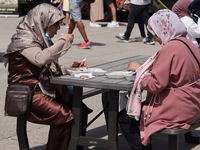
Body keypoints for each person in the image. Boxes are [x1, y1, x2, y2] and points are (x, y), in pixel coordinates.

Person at [3, 3, 92, 150]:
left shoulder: (38, 38)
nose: (58, 29)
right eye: (56, 24)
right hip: (29, 92)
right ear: (43, 21)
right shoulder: (24, 40)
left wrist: (70, 67)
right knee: (63, 115)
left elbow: (45, 68)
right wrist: (64, 41)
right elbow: (40, 59)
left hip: (41, 89)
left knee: (79, 110)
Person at [121, 9, 200, 148]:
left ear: (164, 29)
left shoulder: (169, 49)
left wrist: (139, 70)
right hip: (192, 105)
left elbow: (155, 85)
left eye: (155, 33)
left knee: (125, 118)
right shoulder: (189, 44)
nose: (156, 38)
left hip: (176, 109)